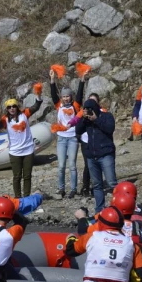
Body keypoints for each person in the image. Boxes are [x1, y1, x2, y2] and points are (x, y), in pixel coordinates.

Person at [66, 206, 142, 282]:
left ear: (100, 223)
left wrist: (71, 238)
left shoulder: (91, 237)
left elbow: (70, 251)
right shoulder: (132, 244)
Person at [0, 91, 43, 198]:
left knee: (27, 176)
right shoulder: (5, 119)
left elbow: (36, 107)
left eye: (14, 106)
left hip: (28, 150)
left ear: (17, 107)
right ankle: (18, 198)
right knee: (17, 176)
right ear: (7, 109)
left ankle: (27, 197)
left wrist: (38, 96)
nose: (12, 109)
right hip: (15, 152)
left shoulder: (25, 114)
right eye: (9, 107)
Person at [75, 98, 117, 214]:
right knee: (97, 185)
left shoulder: (106, 116)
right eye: (87, 110)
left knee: (111, 182)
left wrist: (96, 120)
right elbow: (77, 130)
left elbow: (110, 129)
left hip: (106, 154)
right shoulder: (86, 120)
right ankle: (99, 210)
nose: (89, 112)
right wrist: (84, 119)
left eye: (91, 110)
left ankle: (119, 206)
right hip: (91, 156)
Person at [49, 68, 86, 198]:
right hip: (61, 138)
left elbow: (80, 95)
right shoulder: (58, 105)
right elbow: (53, 95)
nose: (65, 98)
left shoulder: (75, 106)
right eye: (64, 96)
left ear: (71, 96)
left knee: (72, 165)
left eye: (67, 96)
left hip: (72, 139)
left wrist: (82, 80)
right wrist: (52, 80)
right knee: (61, 166)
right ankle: (61, 189)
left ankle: (74, 189)